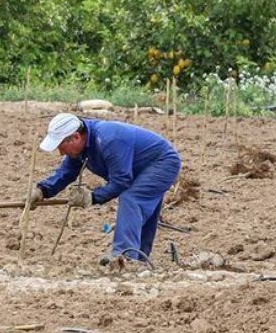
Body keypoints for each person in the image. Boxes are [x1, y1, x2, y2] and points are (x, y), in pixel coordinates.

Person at [26, 113, 181, 269]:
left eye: (60, 146)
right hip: (142, 168)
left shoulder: (108, 139)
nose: (60, 152)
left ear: (76, 137)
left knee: (131, 199)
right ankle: (138, 260)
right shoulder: (82, 146)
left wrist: (92, 197)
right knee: (139, 208)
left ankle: (124, 257)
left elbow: (121, 181)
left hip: (163, 162)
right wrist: (42, 190)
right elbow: (66, 172)